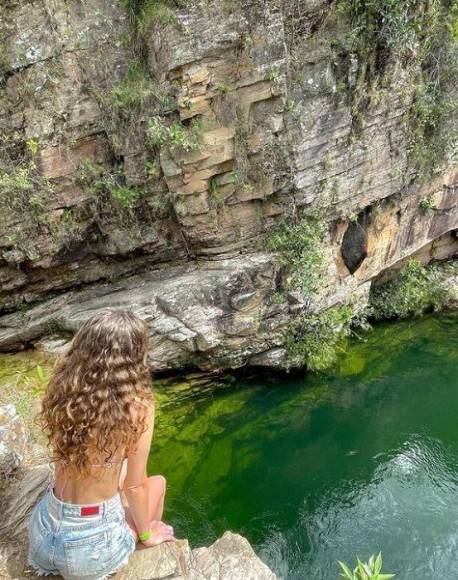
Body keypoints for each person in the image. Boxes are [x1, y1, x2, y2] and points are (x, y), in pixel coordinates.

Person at [27, 309, 174, 579]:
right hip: (89, 551)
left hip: (43, 534)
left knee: (117, 471)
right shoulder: (138, 407)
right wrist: (144, 533)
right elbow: (134, 486)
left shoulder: (64, 390)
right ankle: (150, 537)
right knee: (158, 483)